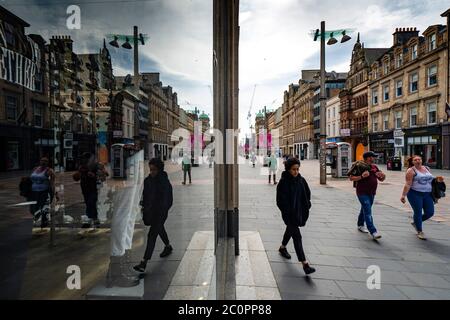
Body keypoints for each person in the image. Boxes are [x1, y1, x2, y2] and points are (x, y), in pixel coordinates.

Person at [276, 158, 315, 275]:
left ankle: (282, 247)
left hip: (299, 212)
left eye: (297, 169)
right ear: (288, 169)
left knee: (290, 230)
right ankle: (304, 263)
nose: (296, 172)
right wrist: (287, 211)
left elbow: (307, 194)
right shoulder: (283, 182)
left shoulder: (301, 180)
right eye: (293, 169)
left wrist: (307, 205)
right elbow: (280, 201)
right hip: (288, 214)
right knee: (297, 236)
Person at [134, 158, 173, 273]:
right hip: (151, 212)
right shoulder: (148, 181)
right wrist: (144, 206)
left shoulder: (165, 182)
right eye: (150, 170)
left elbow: (168, 200)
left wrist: (163, 210)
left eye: (154, 170)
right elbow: (145, 196)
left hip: (161, 212)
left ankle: (144, 262)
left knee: (152, 234)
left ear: (159, 170)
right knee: (159, 229)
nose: (152, 172)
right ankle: (168, 246)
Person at [401, 155, 445, 240]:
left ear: (422, 160)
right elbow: (408, 184)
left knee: (430, 212)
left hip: (427, 194)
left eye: (419, 159)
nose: (418, 161)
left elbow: (431, 181)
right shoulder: (411, 170)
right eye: (415, 160)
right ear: (413, 162)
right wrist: (403, 195)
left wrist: (437, 179)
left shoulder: (427, 168)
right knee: (418, 212)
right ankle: (419, 231)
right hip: (415, 194)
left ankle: (416, 222)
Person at [348, 151, 386, 240]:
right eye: (373, 157)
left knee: (364, 209)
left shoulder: (374, 167)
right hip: (362, 192)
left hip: (372, 192)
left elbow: (381, 179)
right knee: (368, 211)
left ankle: (360, 224)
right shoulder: (359, 166)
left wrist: (383, 176)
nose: (374, 158)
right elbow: (351, 178)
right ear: (368, 158)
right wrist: (362, 176)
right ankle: (373, 231)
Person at [76, 153, 107, 228]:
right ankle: (95, 220)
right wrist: (77, 176)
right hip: (84, 188)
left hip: (93, 188)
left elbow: (104, 177)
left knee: (91, 203)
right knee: (89, 204)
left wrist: (95, 176)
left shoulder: (97, 166)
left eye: (86, 158)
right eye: (83, 158)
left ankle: (88, 220)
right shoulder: (82, 167)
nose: (85, 160)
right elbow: (77, 177)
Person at [30, 157, 56, 228]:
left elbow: (52, 182)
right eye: (42, 160)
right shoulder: (35, 169)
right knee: (34, 207)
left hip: (44, 191)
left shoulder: (49, 170)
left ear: (48, 163)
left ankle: (44, 221)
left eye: (45, 161)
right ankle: (39, 218)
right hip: (33, 191)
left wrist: (54, 192)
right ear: (39, 161)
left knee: (43, 207)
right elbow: (31, 179)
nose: (43, 162)